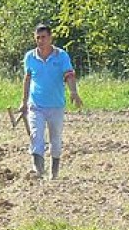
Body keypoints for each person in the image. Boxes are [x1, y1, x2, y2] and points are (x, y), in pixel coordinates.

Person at [18, 23, 83, 179]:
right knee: (36, 136)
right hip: (36, 105)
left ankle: (54, 173)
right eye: (38, 38)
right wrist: (24, 101)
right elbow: (27, 79)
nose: (40, 41)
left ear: (50, 38)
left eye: (43, 37)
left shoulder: (61, 56)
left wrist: (73, 92)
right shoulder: (30, 57)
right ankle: (38, 170)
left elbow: (69, 75)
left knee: (55, 139)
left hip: (56, 104)